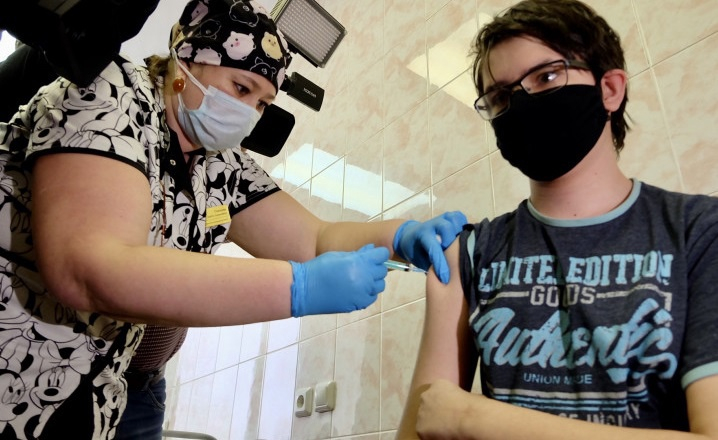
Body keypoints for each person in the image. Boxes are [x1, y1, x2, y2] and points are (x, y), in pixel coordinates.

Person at [0, 0, 467, 438]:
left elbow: (315, 239)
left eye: (262, 102)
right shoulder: (108, 93)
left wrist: (401, 236)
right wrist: (298, 289)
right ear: (185, 62)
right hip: (16, 367)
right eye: (241, 88)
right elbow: (90, 269)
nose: (248, 113)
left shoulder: (222, 165)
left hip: (95, 392)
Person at [396, 0, 718, 438]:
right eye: (501, 97)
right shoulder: (469, 252)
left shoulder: (699, 232)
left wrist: (474, 419)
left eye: (546, 77)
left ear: (610, 89)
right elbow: (423, 425)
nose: (521, 103)